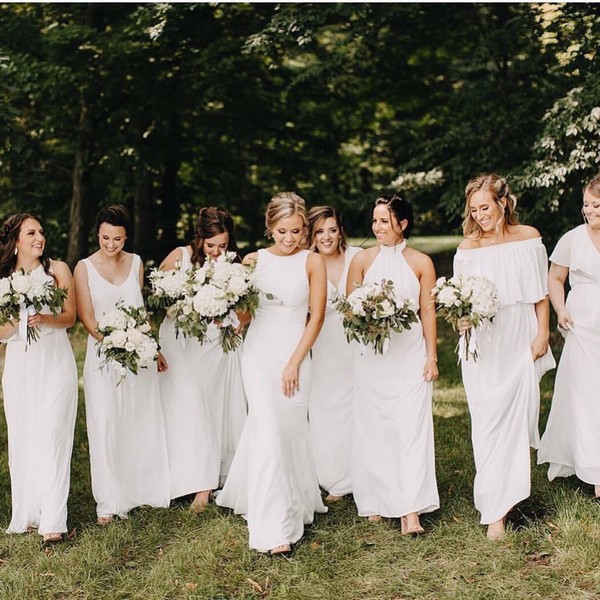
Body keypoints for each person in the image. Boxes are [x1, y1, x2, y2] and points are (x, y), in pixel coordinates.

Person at [216, 191, 328, 555]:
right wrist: (228, 317)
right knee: (267, 431)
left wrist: (295, 361)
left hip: (295, 352)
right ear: (270, 228)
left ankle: (295, 498)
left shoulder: (313, 262)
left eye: (296, 231)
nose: (289, 238)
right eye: (282, 231)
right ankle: (274, 526)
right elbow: (246, 314)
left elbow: (317, 317)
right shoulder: (253, 261)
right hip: (259, 355)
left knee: (291, 430)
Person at [454, 173, 555, 540]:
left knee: (515, 415)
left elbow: (540, 294)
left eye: (486, 207)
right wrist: (461, 319)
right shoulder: (467, 248)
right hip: (482, 339)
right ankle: (495, 504)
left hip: (518, 332)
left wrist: (542, 332)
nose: (480, 215)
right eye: (474, 209)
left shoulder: (528, 237)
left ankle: (506, 502)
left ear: (503, 203)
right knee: (486, 418)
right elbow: (459, 299)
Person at [346, 194, 439, 535]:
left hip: (409, 352)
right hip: (372, 354)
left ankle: (410, 508)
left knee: (411, 426)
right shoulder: (361, 260)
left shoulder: (421, 262)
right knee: (375, 425)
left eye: (385, 221)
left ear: (403, 225)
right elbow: (350, 308)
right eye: (375, 221)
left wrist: (431, 356)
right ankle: (377, 497)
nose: (377, 227)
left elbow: (427, 310)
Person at [74, 204, 170, 524]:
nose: (111, 245)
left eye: (117, 239)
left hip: (137, 354)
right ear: (98, 234)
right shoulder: (84, 268)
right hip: (104, 355)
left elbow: (140, 312)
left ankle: (142, 488)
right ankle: (109, 501)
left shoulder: (137, 263)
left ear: (125, 236)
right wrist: (115, 343)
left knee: (137, 417)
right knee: (105, 423)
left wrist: (150, 348)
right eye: (105, 238)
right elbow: (87, 319)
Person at [158, 206, 246, 513]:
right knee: (187, 407)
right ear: (200, 239)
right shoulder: (179, 256)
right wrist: (184, 306)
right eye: (211, 246)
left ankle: (205, 485)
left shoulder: (232, 264)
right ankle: (183, 477)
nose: (217, 252)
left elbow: (244, 309)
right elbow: (158, 297)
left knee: (211, 406)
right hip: (181, 342)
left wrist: (231, 318)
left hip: (215, 345)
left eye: (223, 245)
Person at [0, 213, 78, 546]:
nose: (39, 237)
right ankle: (29, 512)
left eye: (41, 232)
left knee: (54, 435)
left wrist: (43, 317)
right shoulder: (3, 279)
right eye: (31, 232)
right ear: (15, 240)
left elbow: (70, 317)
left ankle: (53, 521)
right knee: (25, 437)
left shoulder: (57, 269)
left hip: (56, 363)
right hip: (21, 367)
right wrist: (21, 323)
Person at [538, 174, 600, 498]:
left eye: (597, 206)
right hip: (583, 323)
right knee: (586, 392)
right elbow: (555, 278)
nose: (590, 211)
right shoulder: (572, 239)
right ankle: (594, 469)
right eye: (587, 205)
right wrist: (560, 310)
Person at [307, 206, 361, 502]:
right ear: (311, 235)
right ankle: (336, 478)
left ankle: (363, 471)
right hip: (326, 345)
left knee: (359, 405)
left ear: (340, 230)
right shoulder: (307, 263)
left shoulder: (357, 257)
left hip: (358, 344)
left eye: (332, 229)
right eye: (319, 231)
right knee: (328, 408)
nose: (327, 237)